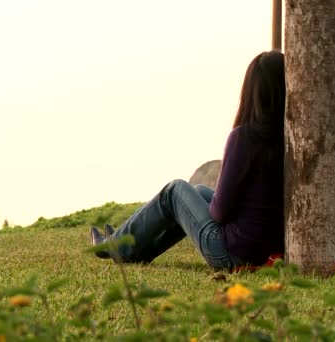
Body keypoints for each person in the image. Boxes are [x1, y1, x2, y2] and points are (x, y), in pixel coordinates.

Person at [90, 51, 285, 270]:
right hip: (268, 250)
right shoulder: (289, 138)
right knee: (199, 191)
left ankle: (115, 245)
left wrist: (216, 206)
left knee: (175, 191)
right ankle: (129, 248)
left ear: (251, 91)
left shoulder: (245, 137)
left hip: (234, 255)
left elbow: (220, 212)